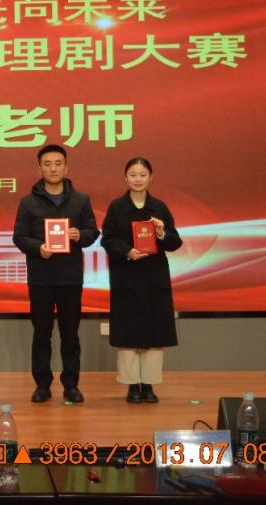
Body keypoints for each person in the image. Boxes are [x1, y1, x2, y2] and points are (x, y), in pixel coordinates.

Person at [12, 144, 98, 404]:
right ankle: (42, 385)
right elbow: (19, 237)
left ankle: (71, 386)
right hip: (41, 278)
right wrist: (38, 248)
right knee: (42, 335)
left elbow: (92, 232)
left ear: (66, 167)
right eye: (47, 164)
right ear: (39, 168)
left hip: (70, 278)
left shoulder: (80, 200)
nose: (53, 168)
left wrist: (79, 235)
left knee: (70, 335)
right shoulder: (28, 202)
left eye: (58, 163)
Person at [100, 157, 183, 403]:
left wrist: (162, 232)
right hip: (126, 276)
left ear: (151, 177)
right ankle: (131, 386)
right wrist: (127, 250)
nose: (138, 179)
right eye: (133, 175)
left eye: (142, 175)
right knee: (129, 331)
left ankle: (148, 385)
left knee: (154, 331)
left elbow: (175, 242)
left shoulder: (159, 207)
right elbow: (107, 239)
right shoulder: (117, 207)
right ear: (125, 178)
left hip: (154, 277)